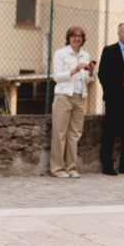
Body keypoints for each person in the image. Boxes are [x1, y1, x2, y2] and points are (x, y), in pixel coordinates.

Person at [49, 26, 95, 179]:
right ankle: (57, 168)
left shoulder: (85, 55)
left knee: (74, 134)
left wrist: (90, 71)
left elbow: (87, 80)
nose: (77, 38)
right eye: (74, 36)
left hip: (80, 97)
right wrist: (75, 69)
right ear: (68, 38)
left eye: (80, 36)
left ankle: (71, 167)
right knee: (59, 133)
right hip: (64, 96)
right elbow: (57, 77)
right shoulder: (60, 53)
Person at [97, 22, 124, 176]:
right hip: (115, 97)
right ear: (119, 33)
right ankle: (107, 165)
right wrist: (110, 92)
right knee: (111, 131)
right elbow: (102, 73)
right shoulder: (110, 50)